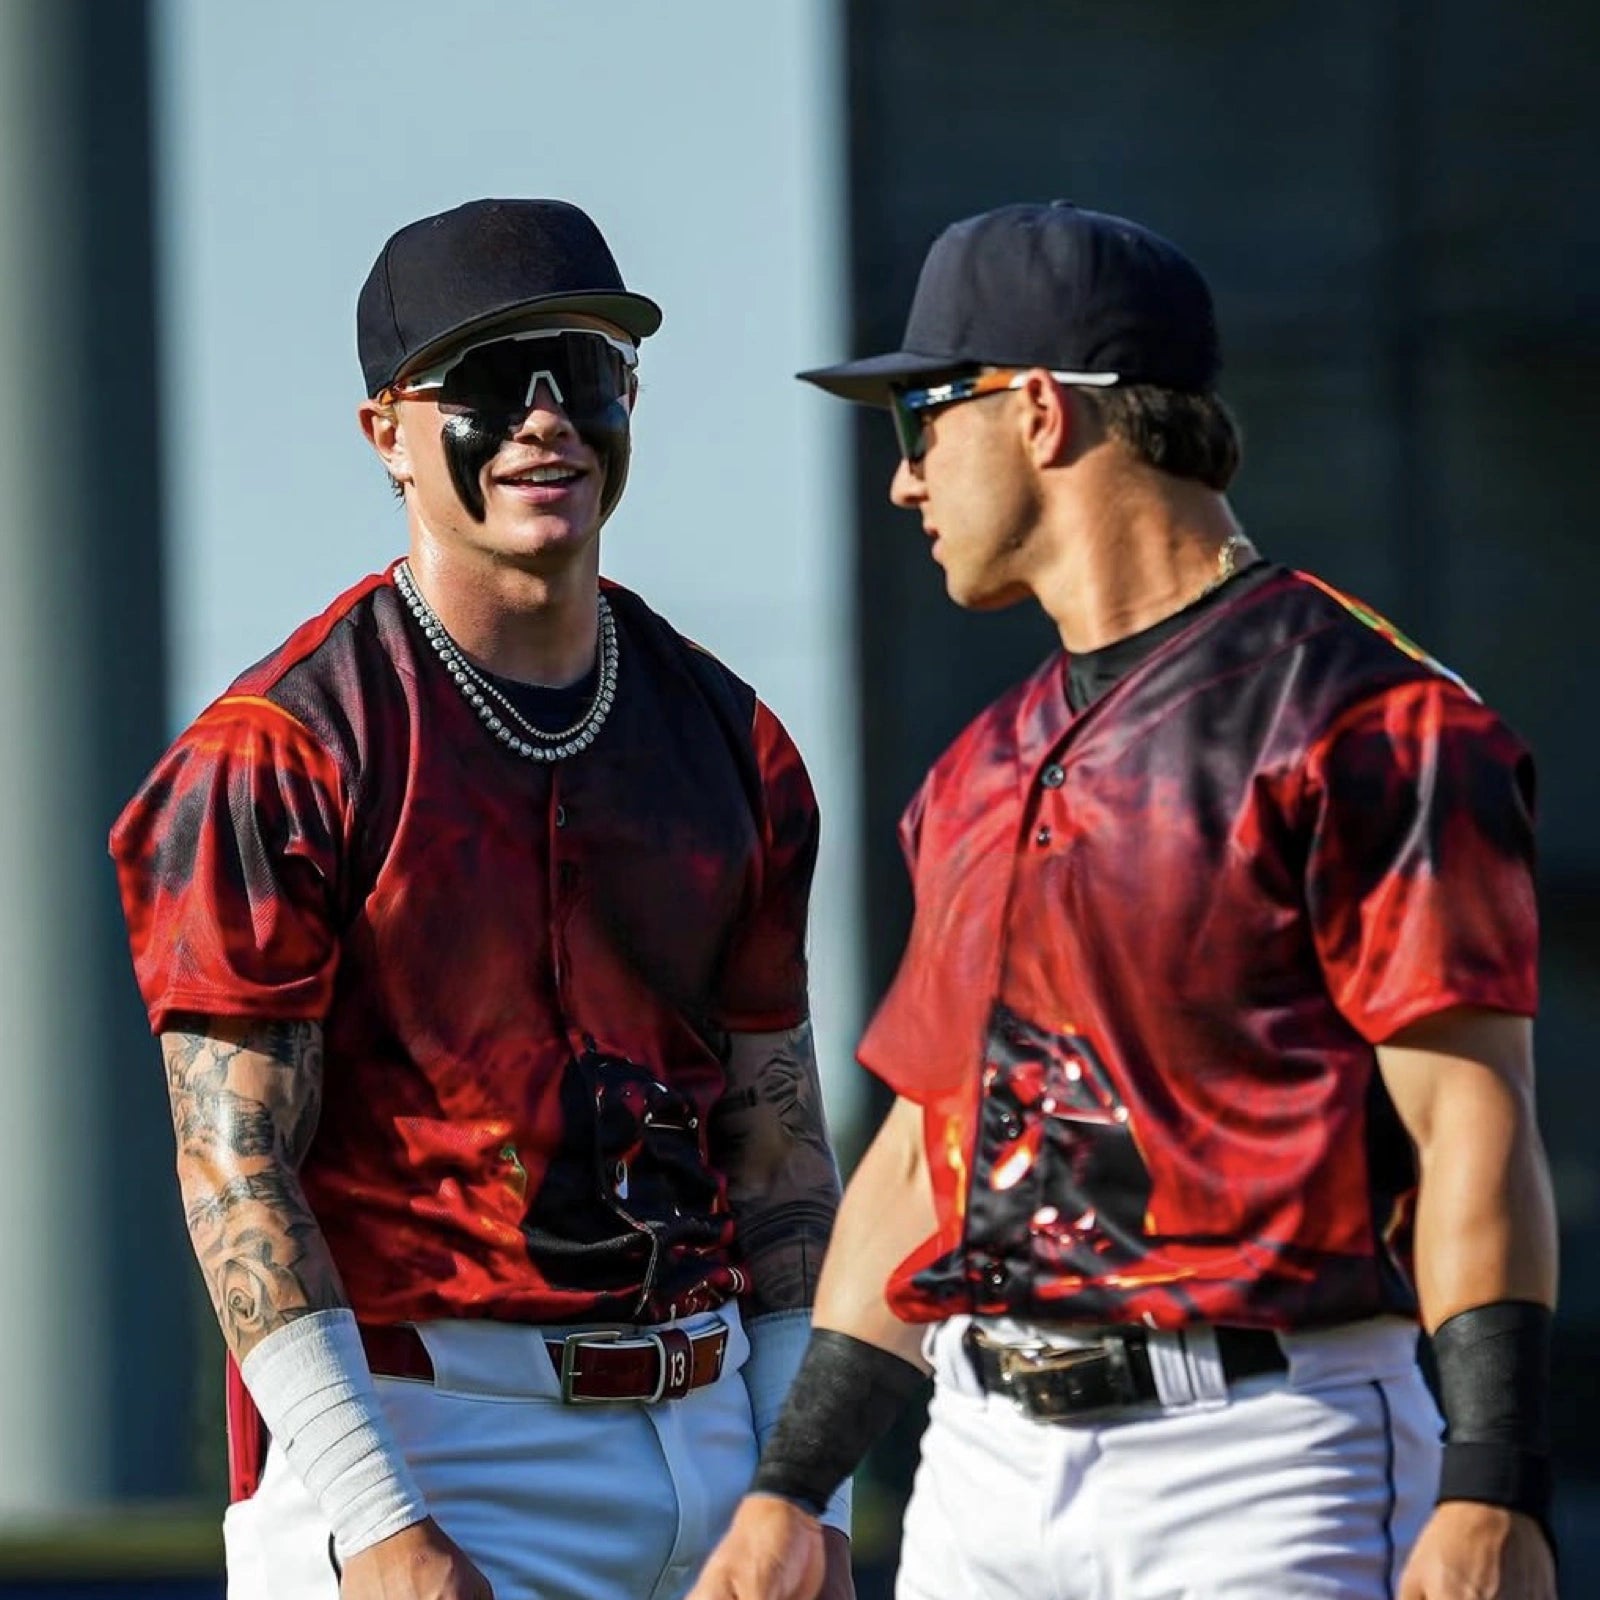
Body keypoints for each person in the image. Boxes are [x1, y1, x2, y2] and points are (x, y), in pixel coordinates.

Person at [689, 201, 1558, 1600]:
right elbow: (921, 1155)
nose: (903, 481)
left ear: (1037, 409)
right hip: (982, 1462)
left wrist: (1493, 1482)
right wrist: (792, 1488)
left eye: (920, 416)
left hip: (1267, 1460)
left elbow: (1467, 1115)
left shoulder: (1364, 718)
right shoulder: (975, 771)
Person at [111, 197, 853, 1600]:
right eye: (489, 379)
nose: (544, 419)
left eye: (581, 369)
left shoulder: (729, 737)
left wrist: (801, 1484)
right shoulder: (280, 750)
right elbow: (235, 1170)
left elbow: (779, 1158)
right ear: (385, 430)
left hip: (714, 1430)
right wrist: (378, 1522)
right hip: (429, 1439)